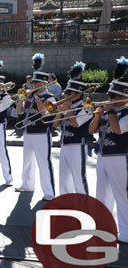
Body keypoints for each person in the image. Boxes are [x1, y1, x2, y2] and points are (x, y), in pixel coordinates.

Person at [89, 56, 128, 243]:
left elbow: (118, 129)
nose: (109, 99)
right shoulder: (106, 112)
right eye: (109, 96)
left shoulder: (126, 113)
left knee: (122, 195)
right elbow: (91, 130)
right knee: (101, 194)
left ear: (122, 97)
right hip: (103, 156)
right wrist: (98, 115)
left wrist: (110, 110)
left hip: (120, 157)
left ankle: (126, 231)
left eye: (113, 97)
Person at [15, 53, 56, 200]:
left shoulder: (49, 97)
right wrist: (21, 100)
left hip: (42, 133)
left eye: (36, 84)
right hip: (28, 132)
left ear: (43, 84)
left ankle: (49, 192)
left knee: (44, 163)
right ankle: (27, 184)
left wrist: (37, 96)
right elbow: (19, 112)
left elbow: (44, 112)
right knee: (27, 161)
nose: (32, 85)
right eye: (33, 83)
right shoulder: (30, 96)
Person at [52, 61, 91, 195]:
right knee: (63, 179)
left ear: (79, 94)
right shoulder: (67, 106)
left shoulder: (86, 108)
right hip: (64, 144)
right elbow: (55, 125)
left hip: (77, 145)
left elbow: (75, 123)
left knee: (79, 178)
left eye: (69, 93)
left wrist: (68, 109)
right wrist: (59, 112)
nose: (66, 95)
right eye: (66, 92)